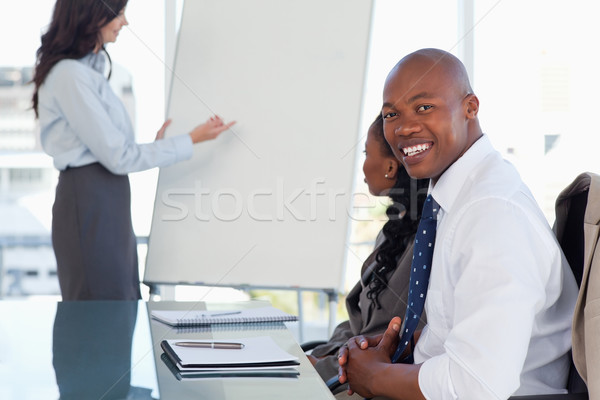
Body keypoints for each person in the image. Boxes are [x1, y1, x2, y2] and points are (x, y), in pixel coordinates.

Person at [337, 48, 579, 399]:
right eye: (392, 114)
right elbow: (465, 330)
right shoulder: (455, 200)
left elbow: (477, 383)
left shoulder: (492, 213)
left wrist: (375, 378)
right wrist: (394, 346)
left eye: (424, 107)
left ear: (470, 108)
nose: (404, 127)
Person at [31, 0, 235, 300]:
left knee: (121, 299)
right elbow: (118, 156)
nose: (124, 22)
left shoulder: (88, 73)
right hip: (89, 198)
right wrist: (190, 140)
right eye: (119, 13)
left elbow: (115, 150)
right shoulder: (70, 76)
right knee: (101, 308)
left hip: (106, 197)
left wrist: (162, 145)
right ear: (92, 14)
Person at [307, 115, 429, 384]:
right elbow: (358, 325)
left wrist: (321, 365)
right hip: (341, 368)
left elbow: (385, 336)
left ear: (389, 166)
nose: (362, 164)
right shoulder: (396, 228)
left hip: (360, 380)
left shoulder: (424, 242)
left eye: (365, 153)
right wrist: (318, 355)